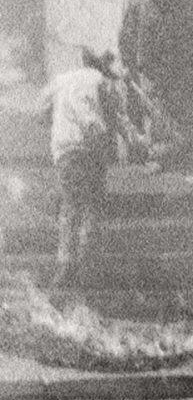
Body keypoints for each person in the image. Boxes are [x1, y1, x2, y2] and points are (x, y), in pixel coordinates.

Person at [37, 47, 120, 293]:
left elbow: (39, 111)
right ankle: (88, 264)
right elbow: (113, 111)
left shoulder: (61, 81)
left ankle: (66, 264)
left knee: (70, 207)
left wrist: (57, 119)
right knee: (93, 206)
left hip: (66, 150)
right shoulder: (100, 80)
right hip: (93, 147)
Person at [117, 0, 190, 163]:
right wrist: (127, 64)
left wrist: (180, 61)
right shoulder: (139, 1)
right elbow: (126, 35)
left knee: (163, 111)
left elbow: (183, 34)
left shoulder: (175, 3)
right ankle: (142, 156)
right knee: (144, 108)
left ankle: (159, 154)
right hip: (144, 68)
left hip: (168, 67)